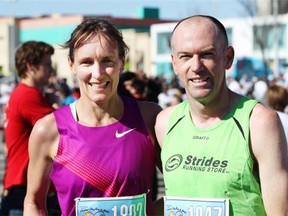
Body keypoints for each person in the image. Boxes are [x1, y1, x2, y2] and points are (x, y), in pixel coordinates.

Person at [23, 18, 162, 216]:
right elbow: (34, 204)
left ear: (122, 62)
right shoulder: (48, 130)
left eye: (107, 61)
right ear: (72, 65)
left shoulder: (150, 117)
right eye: (86, 62)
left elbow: (185, 189)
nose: (97, 74)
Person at [155, 15, 288, 215]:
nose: (196, 66)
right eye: (185, 56)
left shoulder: (258, 122)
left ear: (227, 58)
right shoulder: (165, 122)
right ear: (174, 63)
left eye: (207, 54)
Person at [0, 41, 60, 215]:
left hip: (21, 184)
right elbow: (62, 128)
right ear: (30, 66)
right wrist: (56, 106)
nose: (51, 70)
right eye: (47, 65)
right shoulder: (27, 95)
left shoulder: (22, 93)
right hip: (24, 187)